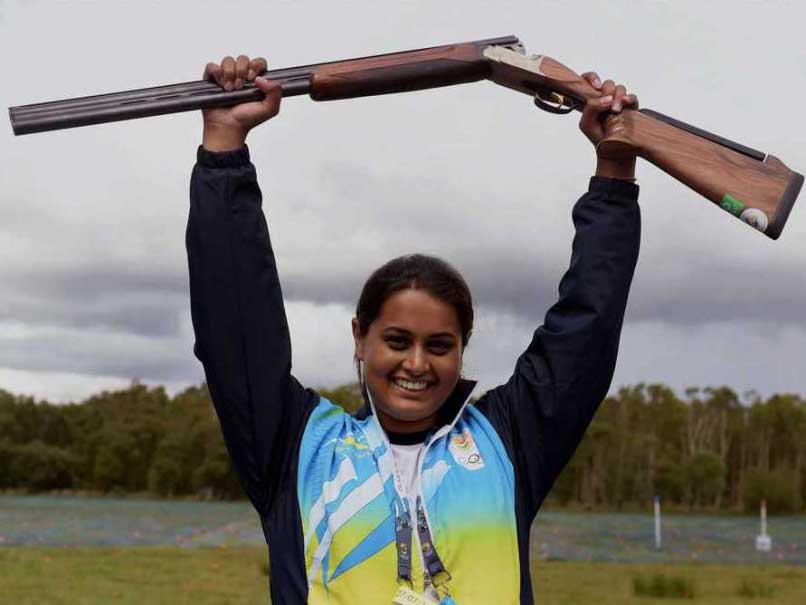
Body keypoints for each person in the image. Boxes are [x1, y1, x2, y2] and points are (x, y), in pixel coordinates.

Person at [187, 54, 640, 605]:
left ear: (462, 349)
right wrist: (224, 151)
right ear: (361, 337)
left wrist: (613, 175)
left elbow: (587, 327)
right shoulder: (296, 447)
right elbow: (235, 320)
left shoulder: (510, 440)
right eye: (397, 341)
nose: (417, 364)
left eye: (440, 346)